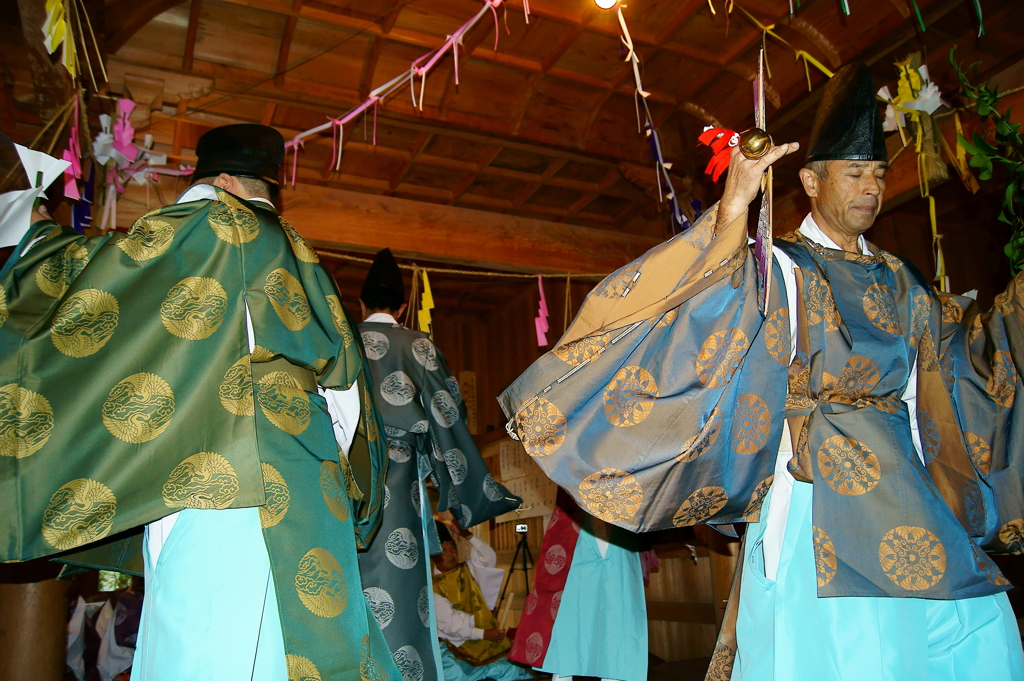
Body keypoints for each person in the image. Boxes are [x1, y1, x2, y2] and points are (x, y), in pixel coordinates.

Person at [499, 63, 1024, 681]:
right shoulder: (782, 265)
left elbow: (966, 371)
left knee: (983, 634)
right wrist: (737, 203)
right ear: (809, 178)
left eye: (879, 175)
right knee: (847, 654)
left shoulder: (904, 281)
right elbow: (703, 304)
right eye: (855, 173)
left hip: (906, 481)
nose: (871, 188)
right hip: (817, 486)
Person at [0, 124, 398, 680]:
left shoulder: (213, 225)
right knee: (309, 645)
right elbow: (349, 391)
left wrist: (37, 233)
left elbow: (99, 282)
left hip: (224, 462)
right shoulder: (304, 256)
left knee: (207, 640)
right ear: (244, 183)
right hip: (311, 467)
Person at [357, 248, 521, 681]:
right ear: (403, 307)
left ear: (359, 304)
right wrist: (445, 483)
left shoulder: (341, 342)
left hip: (346, 481)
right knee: (403, 589)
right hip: (400, 481)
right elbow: (449, 415)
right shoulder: (417, 345)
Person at [509, 492, 647, 681]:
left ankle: (613, 675)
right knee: (568, 615)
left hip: (620, 522)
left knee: (618, 615)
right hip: (577, 524)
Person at [431, 521, 533, 681]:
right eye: (444, 550)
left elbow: (488, 558)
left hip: (486, 642)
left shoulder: (468, 569)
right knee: (456, 675)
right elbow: (452, 625)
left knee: (511, 668)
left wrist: (467, 535)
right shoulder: (432, 587)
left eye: (452, 548)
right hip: (455, 649)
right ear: (434, 555)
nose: (450, 554)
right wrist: (484, 634)